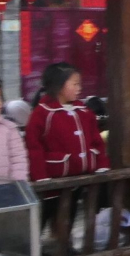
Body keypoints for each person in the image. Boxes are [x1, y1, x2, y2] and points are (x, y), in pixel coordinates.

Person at [25, 62, 110, 231]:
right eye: (75, 84)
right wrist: (40, 176)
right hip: (53, 179)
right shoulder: (42, 113)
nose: (80, 88)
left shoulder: (84, 111)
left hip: (78, 178)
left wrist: (101, 164)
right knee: (43, 218)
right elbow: (34, 147)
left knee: (68, 216)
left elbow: (96, 141)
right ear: (58, 85)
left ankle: (64, 246)